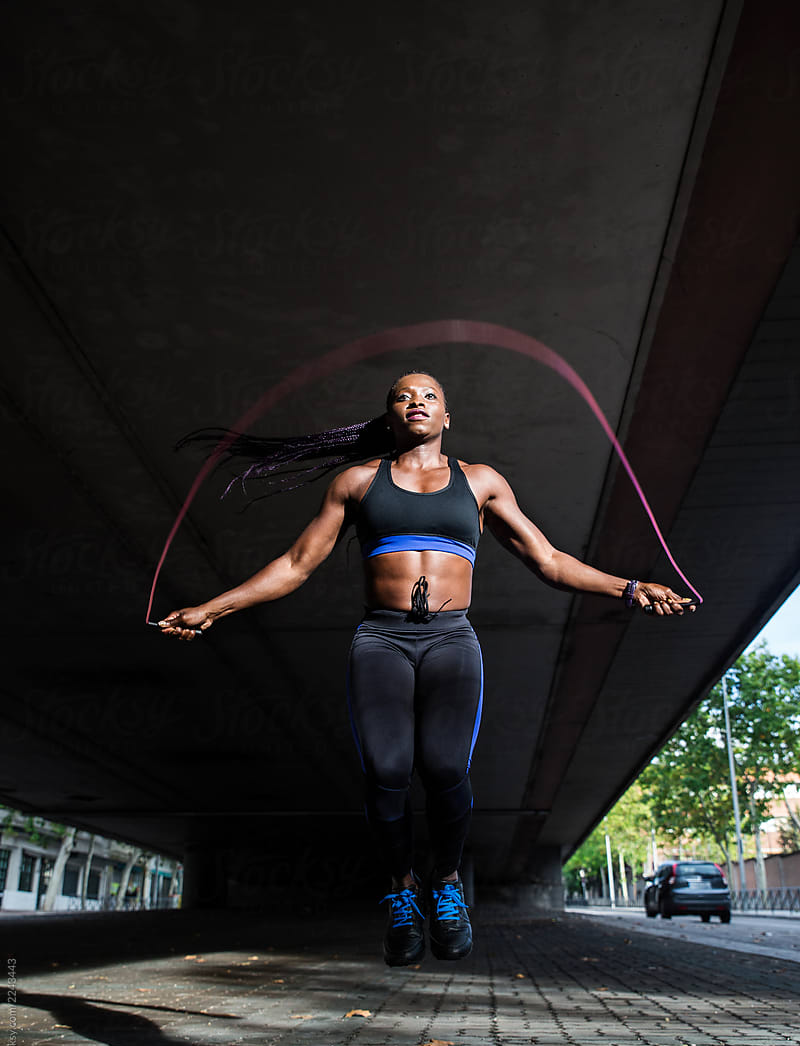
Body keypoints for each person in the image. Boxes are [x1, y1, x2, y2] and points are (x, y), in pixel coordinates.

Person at [159, 373, 694, 965]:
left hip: (451, 639)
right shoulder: (357, 483)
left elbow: (549, 560)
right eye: (402, 396)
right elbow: (295, 563)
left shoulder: (481, 482)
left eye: (429, 395)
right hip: (381, 639)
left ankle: (445, 885)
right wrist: (214, 608)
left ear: (447, 416)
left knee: (444, 766)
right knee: (386, 770)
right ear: (390, 415)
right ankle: (399, 890)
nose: (416, 401)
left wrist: (631, 588)